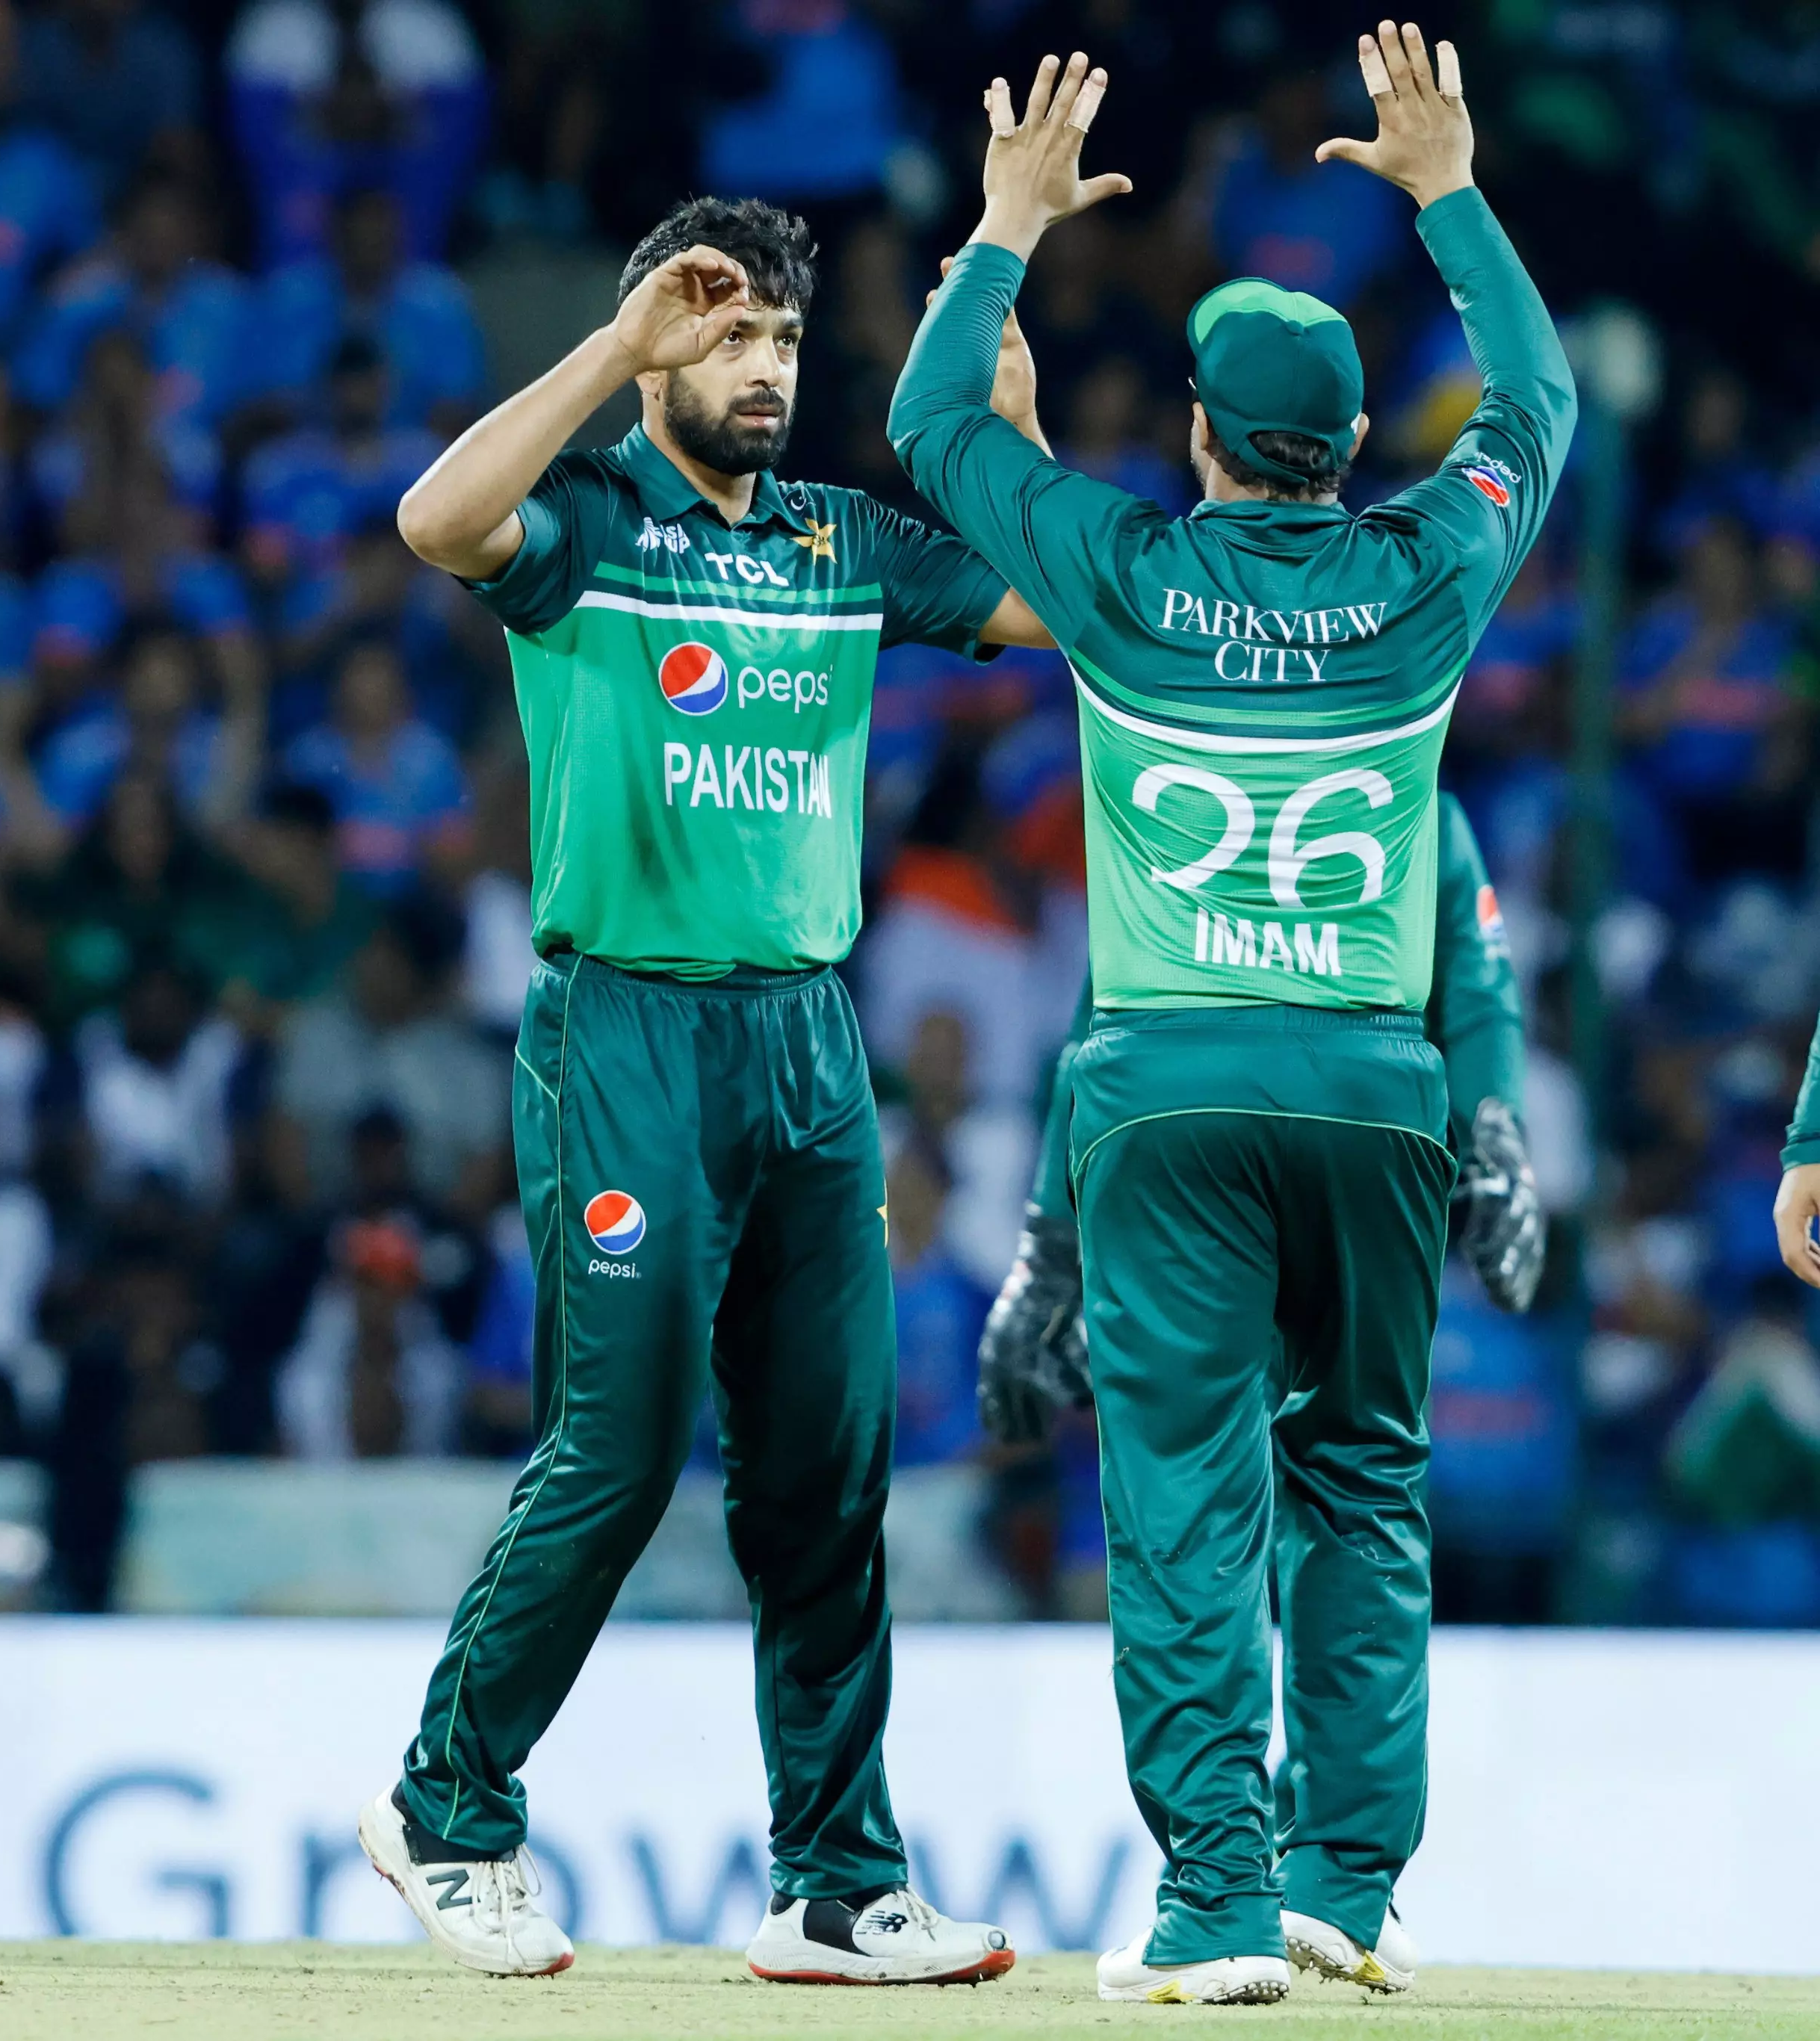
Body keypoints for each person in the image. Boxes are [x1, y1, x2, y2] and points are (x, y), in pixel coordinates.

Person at [889, 31, 1573, 2005]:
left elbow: (939, 426)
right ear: (1350, 446)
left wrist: (1007, 227)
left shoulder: (1120, 572)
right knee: (1362, 1470)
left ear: (1198, 432)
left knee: (1191, 1485)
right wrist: (1448, 191)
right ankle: (1346, 1889)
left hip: (1171, 1086)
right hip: (1381, 1084)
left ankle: (1212, 1907)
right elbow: (1536, 396)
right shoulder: (1433, 566)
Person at [360, 191, 1057, 1987]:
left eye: (779, 341)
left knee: (828, 1470)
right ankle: (449, 1804)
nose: (761, 370)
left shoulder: (837, 539)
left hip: (807, 1040)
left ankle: (834, 1880)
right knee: (618, 1443)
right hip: (631, 1029)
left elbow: (1060, 604)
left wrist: (1020, 387)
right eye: (726, 334)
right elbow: (436, 520)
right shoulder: (589, 522)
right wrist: (615, 351)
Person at [982, 792, 1549, 1447]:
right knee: (1255, 1476)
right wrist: (1050, 1248)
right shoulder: (1185, 806)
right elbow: (1099, 1032)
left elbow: (1481, 994)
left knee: (1299, 1474)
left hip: (1307, 1197)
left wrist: (1498, 1135)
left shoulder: (1411, 804)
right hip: (1238, 1198)